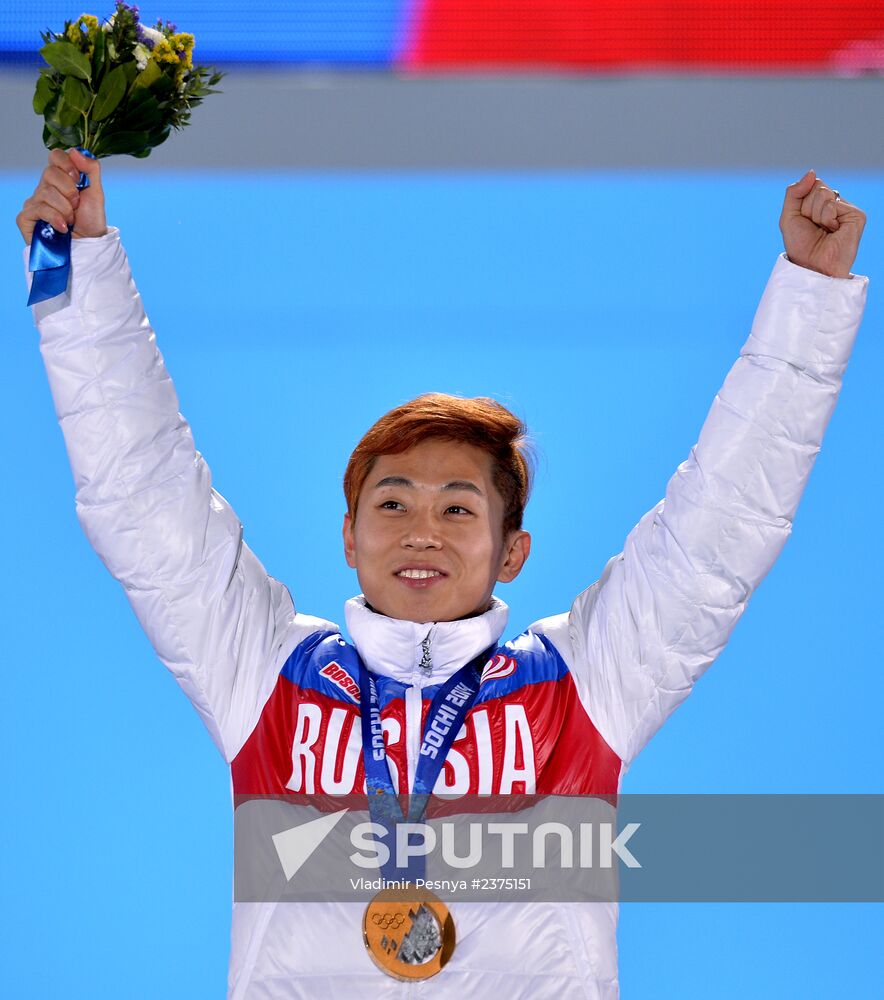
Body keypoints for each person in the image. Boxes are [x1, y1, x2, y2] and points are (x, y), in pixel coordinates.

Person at [18, 149, 867, 999]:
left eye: (458, 508)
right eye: (393, 505)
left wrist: (810, 298)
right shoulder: (266, 674)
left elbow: (717, 533)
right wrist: (80, 272)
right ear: (348, 537)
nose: (422, 531)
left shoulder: (584, 687)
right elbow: (140, 493)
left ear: (511, 552)